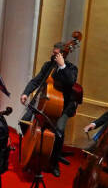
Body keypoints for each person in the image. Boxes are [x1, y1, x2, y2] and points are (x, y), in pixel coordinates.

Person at [21, 42, 79, 177]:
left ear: (63, 54)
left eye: (56, 54)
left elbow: (70, 82)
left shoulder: (71, 68)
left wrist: (62, 66)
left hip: (63, 106)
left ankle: (54, 162)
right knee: (24, 121)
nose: (53, 56)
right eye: (53, 53)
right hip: (43, 101)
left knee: (58, 131)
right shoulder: (48, 65)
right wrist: (26, 93)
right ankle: (33, 148)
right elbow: (36, 81)